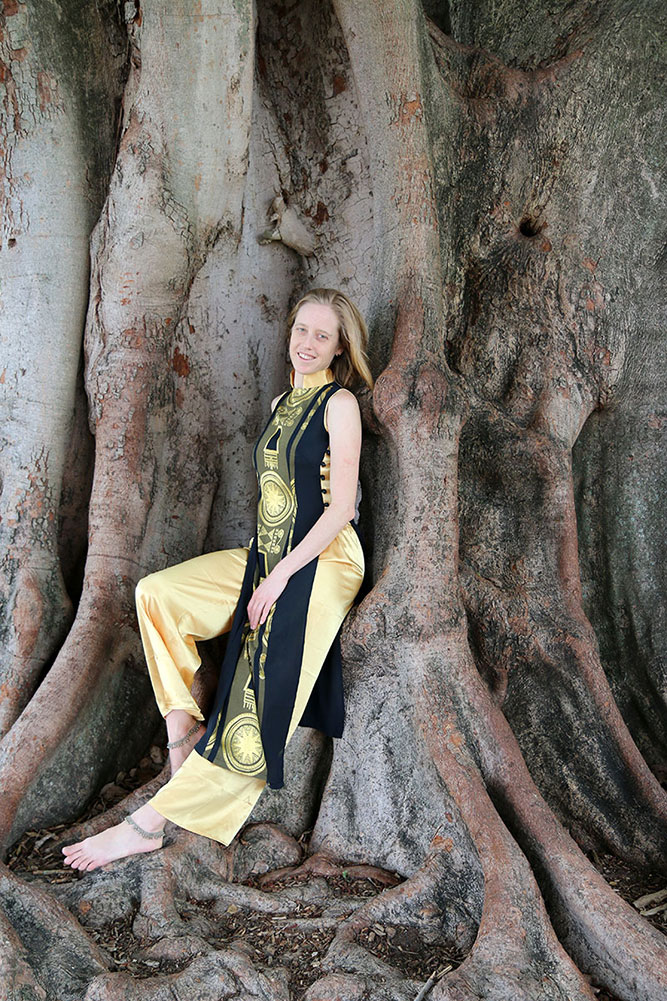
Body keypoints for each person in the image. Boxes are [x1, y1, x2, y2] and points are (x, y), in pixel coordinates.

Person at [63, 288, 373, 872]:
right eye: (301, 329)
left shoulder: (339, 405)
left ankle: (149, 824)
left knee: (256, 694)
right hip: (268, 551)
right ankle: (182, 735)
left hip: (324, 560)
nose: (307, 343)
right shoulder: (284, 400)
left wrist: (279, 577)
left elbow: (337, 512)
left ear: (339, 348)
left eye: (321, 336)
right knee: (158, 594)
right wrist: (268, 564)